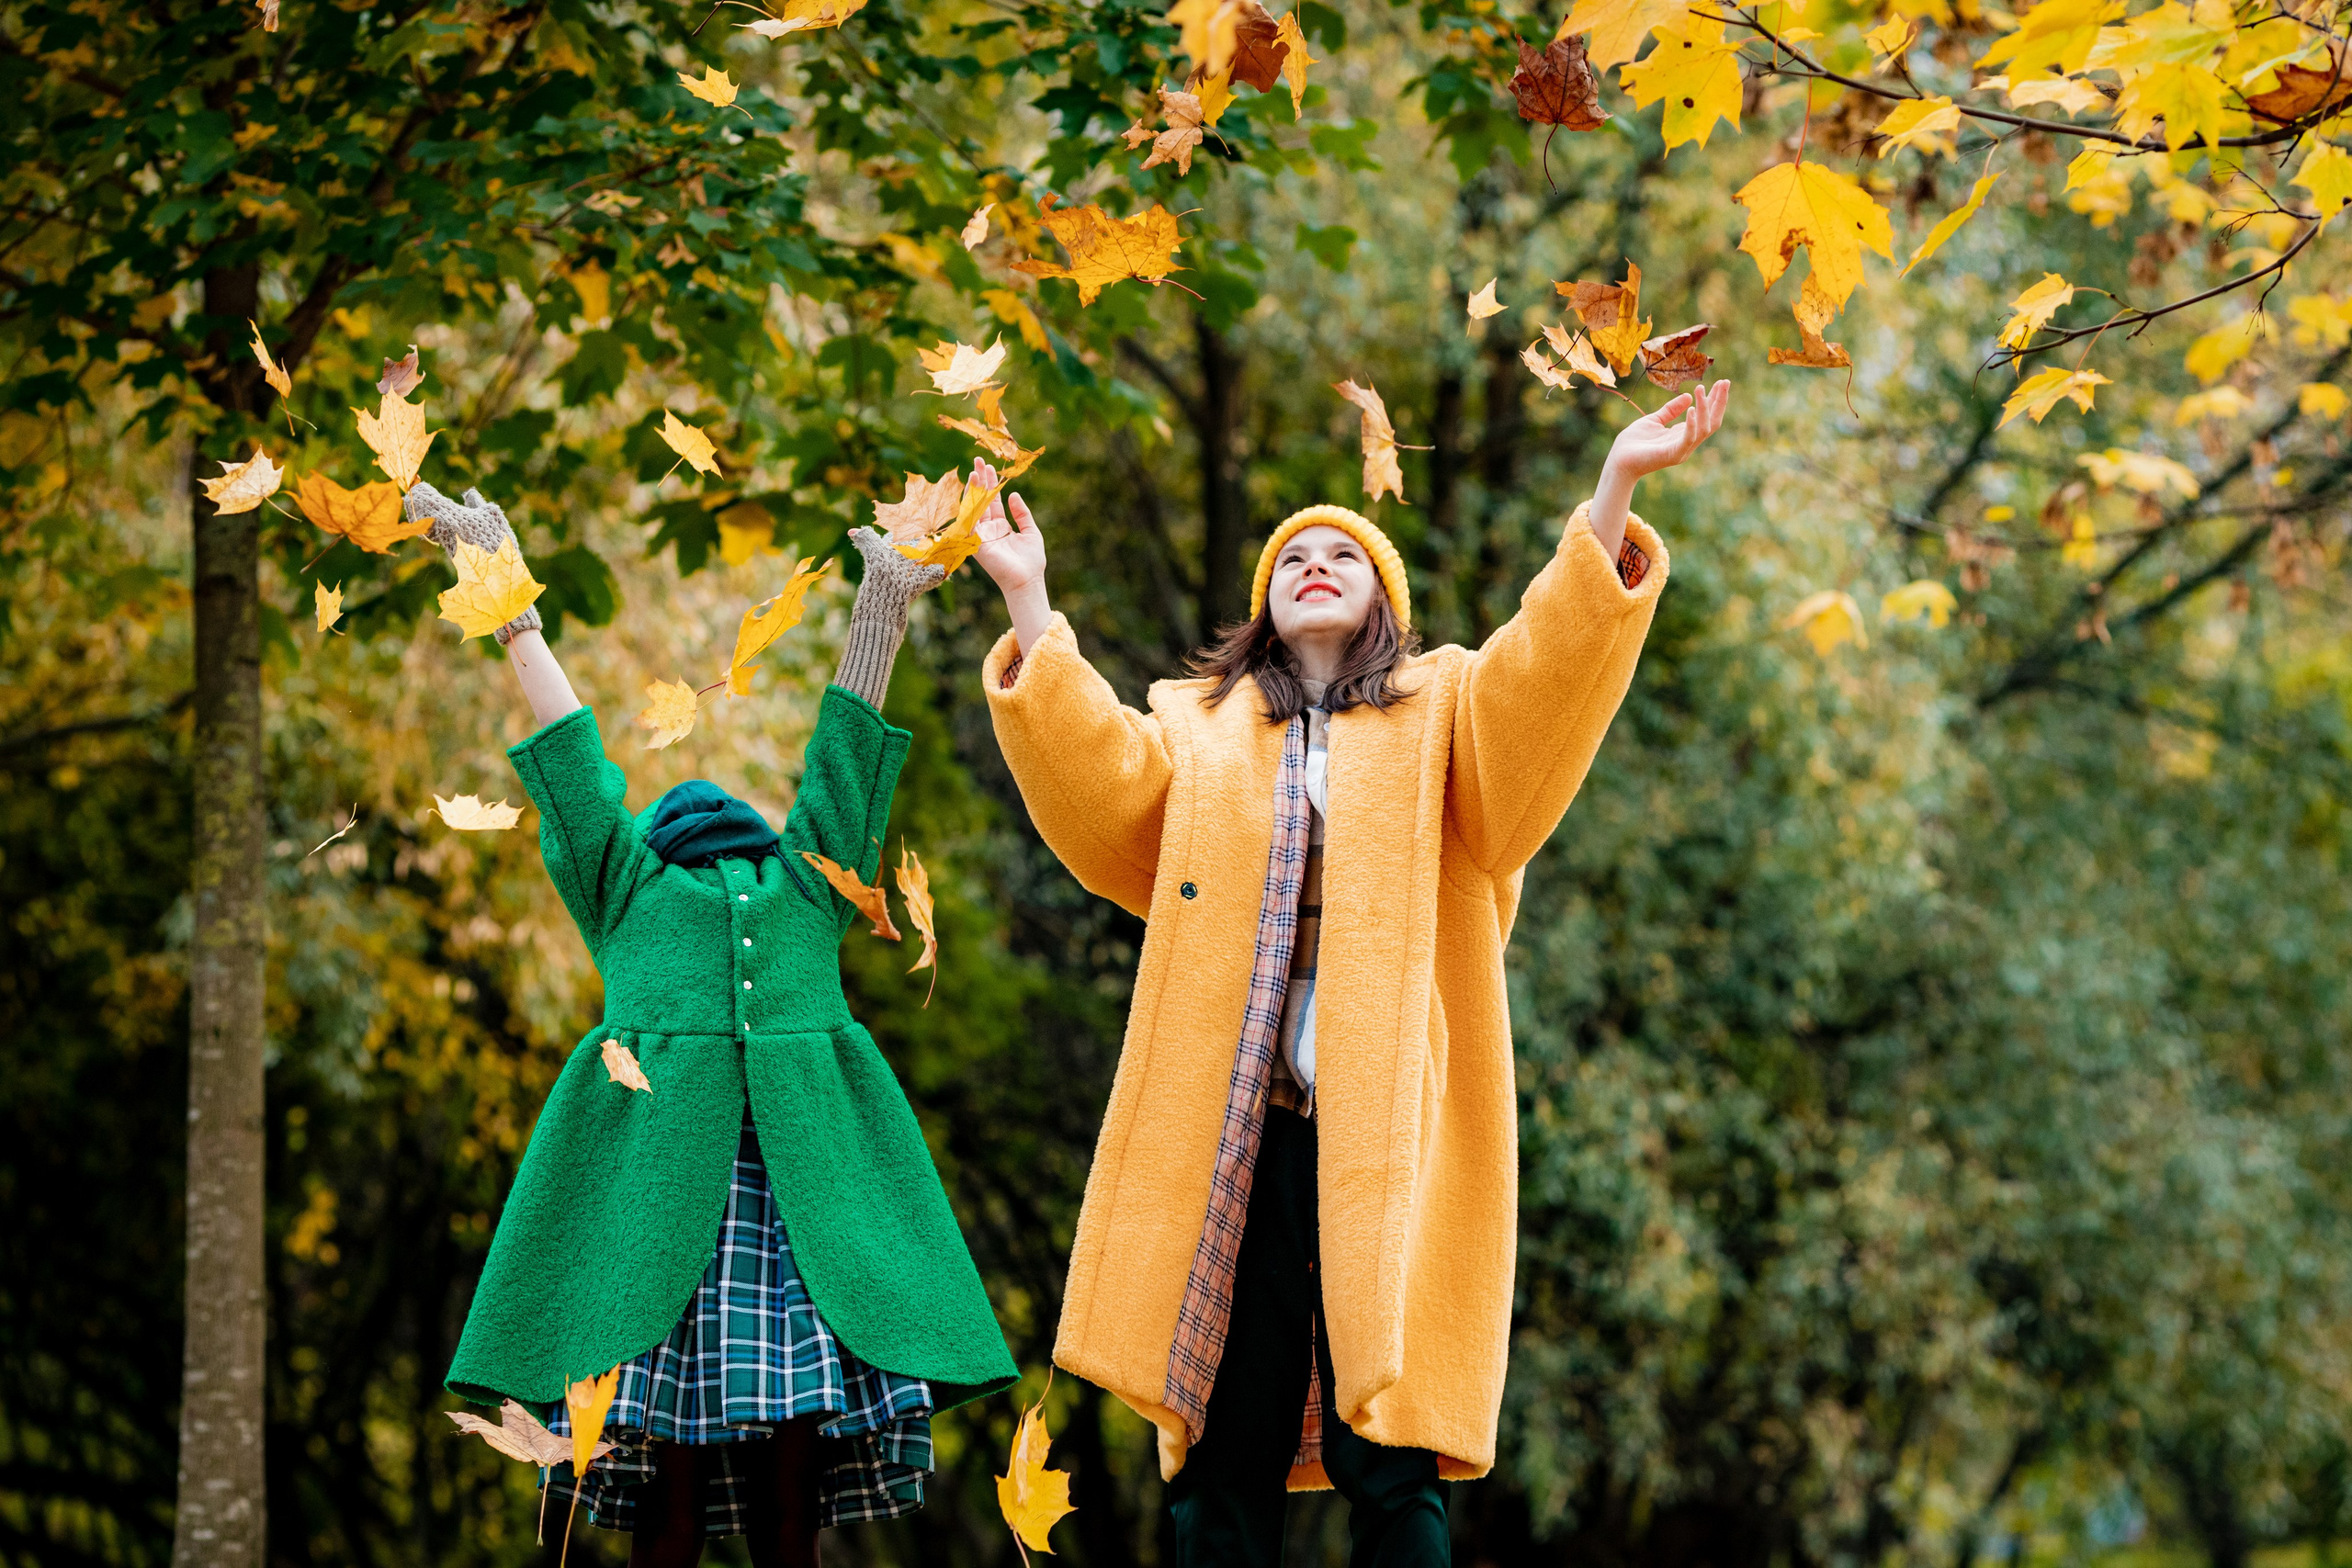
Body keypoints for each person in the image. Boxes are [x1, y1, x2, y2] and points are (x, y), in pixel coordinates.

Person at [970, 379, 1732, 1566]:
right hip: (1243, 1131)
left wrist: (1614, 488)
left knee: (1395, 1448)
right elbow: (1102, 797)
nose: (1314, 563)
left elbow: (1546, 678)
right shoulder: (1199, 726)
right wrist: (1029, 600)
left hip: (1392, 1134)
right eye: (1293, 556)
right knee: (1224, 1442)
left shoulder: (1448, 712)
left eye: (1344, 553)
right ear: (1264, 607)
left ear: (1385, 599)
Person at [410, 482, 1017, 1568]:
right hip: (659, 1228)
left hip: (800, 1222)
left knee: (794, 1500)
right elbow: (569, 762)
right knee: (669, 1507)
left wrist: (884, 600)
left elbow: (846, 766)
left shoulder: (803, 883)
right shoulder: (627, 883)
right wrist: (502, 594)